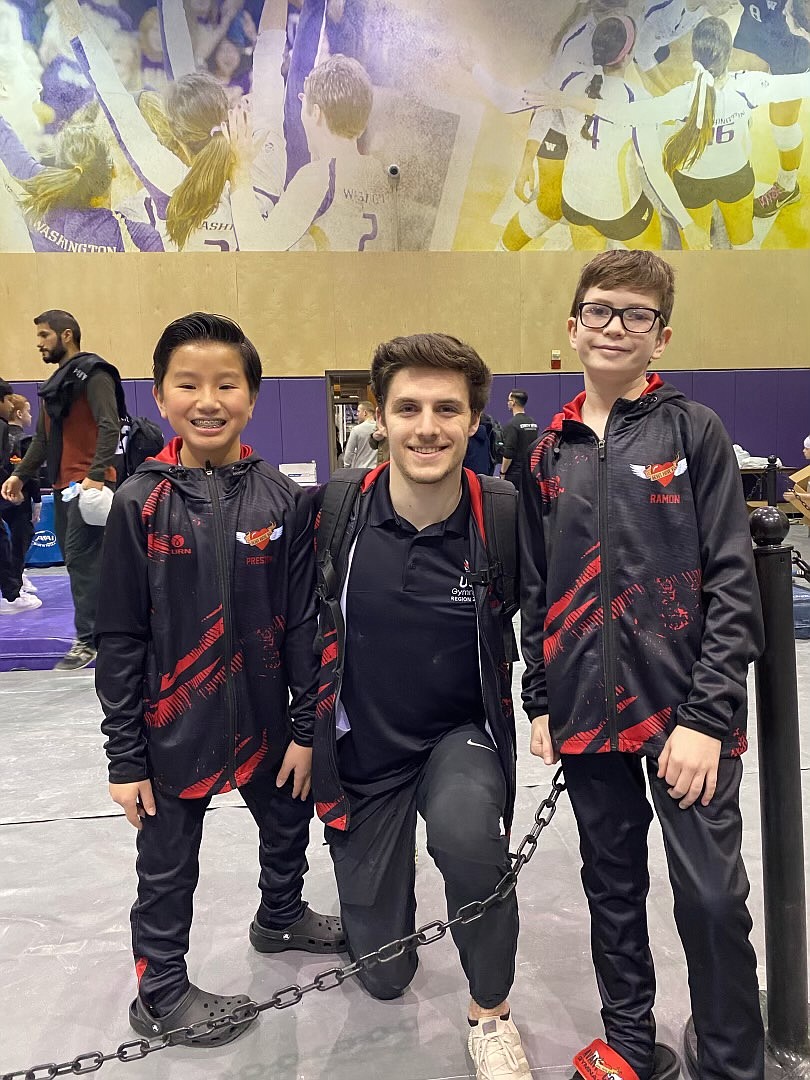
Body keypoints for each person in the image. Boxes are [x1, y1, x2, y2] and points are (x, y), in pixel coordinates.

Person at [520, 250, 764, 1080]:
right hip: (587, 713)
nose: (615, 327)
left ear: (662, 335)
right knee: (611, 890)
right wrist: (540, 698)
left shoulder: (693, 431)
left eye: (635, 316)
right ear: (573, 325)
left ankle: (732, 1058)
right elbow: (535, 589)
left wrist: (705, 717)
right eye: (600, 311)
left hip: (686, 718)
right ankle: (630, 1042)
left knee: (711, 898)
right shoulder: (545, 452)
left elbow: (734, 581)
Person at [94, 312, 344, 1048]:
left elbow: (303, 621)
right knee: (167, 869)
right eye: (188, 384)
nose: (209, 399)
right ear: (162, 398)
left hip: (267, 720)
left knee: (288, 821)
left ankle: (281, 915)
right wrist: (124, 756)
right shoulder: (138, 502)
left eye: (226, 384)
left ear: (253, 395)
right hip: (173, 726)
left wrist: (304, 732)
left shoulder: (282, 498)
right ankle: (161, 993)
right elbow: (118, 637)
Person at [311, 333, 530, 1080]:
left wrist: (547, 706)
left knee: (470, 840)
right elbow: (297, 625)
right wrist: (299, 732)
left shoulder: (499, 511)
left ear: (474, 419)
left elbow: (562, 617)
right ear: (379, 416)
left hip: (456, 735)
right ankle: (381, 892)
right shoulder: (340, 507)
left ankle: (492, 1015)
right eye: (408, 407)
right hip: (364, 744)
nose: (427, 426)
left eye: (447, 408)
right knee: (384, 974)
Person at [569, 17, 810, 249]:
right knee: (744, 242)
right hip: (736, 177)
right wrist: (804, 31)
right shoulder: (749, 86)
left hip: (691, 182)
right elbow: (801, 84)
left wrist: (567, 100)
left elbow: (625, 114)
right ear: (729, 55)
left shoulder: (681, 98)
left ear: (694, 56)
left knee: (697, 245)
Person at [1, 310, 121, 668]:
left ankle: (89, 641)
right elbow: (42, 438)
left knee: (84, 563)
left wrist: (96, 475)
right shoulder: (55, 385)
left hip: (89, 487)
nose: (38, 343)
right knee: (80, 563)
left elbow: (109, 425)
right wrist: (20, 475)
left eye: (43, 336)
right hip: (63, 487)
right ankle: (106, 635)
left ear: (66, 335)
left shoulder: (94, 374)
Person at [732, 0, 810, 217]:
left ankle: (787, 186)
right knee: (730, 99)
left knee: (783, 126)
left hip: (792, 42)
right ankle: (728, 171)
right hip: (755, 23)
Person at [0, 379, 41, 613]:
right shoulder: (19, 438)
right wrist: (33, 498)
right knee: (14, 541)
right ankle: (12, 592)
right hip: (15, 497)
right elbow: (29, 472)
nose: (30, 415)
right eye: (28, 411)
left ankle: (16, 580)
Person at [501, 390, 537, 491]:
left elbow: (509, 452)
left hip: (514, 474)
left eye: (508, 400)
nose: (507, 403)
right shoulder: (533, 423)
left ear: (513, 402)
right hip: (530, 472)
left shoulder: (512, 424)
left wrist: (503, 472)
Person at [341, 400, 378, 468]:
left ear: (365, 413)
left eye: (358, 411)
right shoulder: (381, 429)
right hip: (377, 470)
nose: (357, 414)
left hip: (361, 470)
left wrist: (346, 466)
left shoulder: (356, 430)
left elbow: (349, 452)